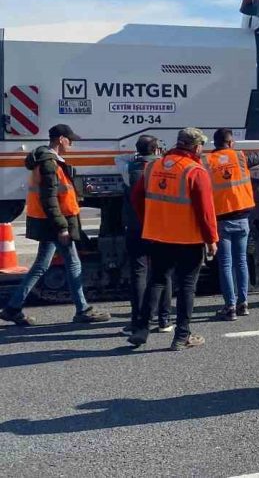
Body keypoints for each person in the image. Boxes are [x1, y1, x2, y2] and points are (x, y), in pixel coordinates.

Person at [0, 125, 110, 326]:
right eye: (70, 140)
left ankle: (12, 308)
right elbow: (49, 199)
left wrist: (79, 193)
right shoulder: (49, 164)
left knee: (42, 265)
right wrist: (62, 227)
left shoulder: (47, 161)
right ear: (61, 139)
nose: (72, 144)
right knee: (73, 263)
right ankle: (83, 310)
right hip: (55, 224)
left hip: (48, 222)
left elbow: (58, 193)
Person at [127, 128, 219, 351]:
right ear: (196, 147)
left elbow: (136, 197)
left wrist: (149, 220)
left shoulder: (154, 167)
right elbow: (206, 212)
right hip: (188, 239)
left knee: (156, 280)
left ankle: (140, 330)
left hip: (159, 235)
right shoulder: (195, 171)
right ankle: (181, 336)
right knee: (187, 286)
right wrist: (211, 239)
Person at [206, 123, 259, 321]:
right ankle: (243, 304)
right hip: (242, 219)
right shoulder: (240, 158)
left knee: (226, 264)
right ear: (230, 142)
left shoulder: (207, 161)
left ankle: (229, 307)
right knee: (241, 261)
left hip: (221, 220)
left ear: (216, 143)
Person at [121, 135, 172, 335]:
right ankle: (165, 320)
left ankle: (139, 321)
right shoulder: (164, 169)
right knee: (163, 272)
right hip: (160, 227)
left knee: (138, 273)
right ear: (157, 149)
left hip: (136, 226)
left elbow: (120, 160)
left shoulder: (129, 169)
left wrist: (137, 155)